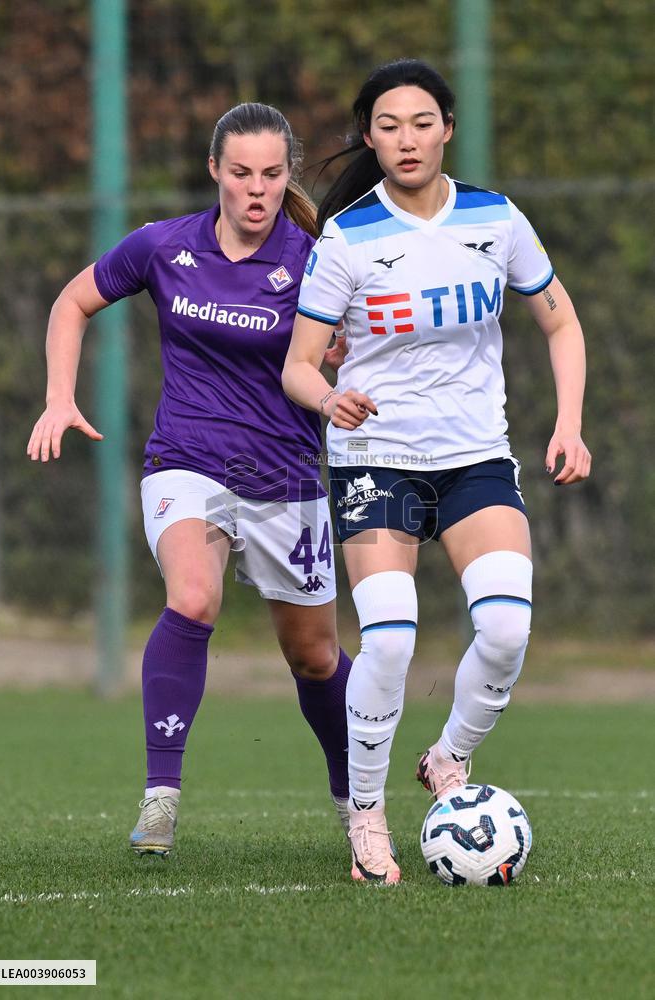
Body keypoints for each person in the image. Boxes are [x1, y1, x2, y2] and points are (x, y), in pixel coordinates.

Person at [282, 59, 591, 884]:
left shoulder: (498, 220)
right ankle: (367, 813)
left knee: (506, 630)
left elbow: (561, 325)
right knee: (387, 638)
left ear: (447, 127)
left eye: (422, 122)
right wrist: (329, 400)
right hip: (377, 461)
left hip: (474, 461)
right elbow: (299, 366)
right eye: (388, 126)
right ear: (369, 138)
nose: (406, 139)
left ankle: (447, 757)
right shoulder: (349, 240)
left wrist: (569, 423)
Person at [27, 102, 353, 857]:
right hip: (187, 460)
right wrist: (58, 396)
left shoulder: (315, 260)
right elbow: (72, 303)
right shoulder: (162, 247)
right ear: (214, 171)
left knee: (315, 658)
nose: (256, 188)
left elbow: (344, 355)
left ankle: (354, 801)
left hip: (287, 473)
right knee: (193, 597)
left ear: (287, 176)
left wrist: (342, 364)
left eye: (272, 174)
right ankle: (160, 799)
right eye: (240, 172)